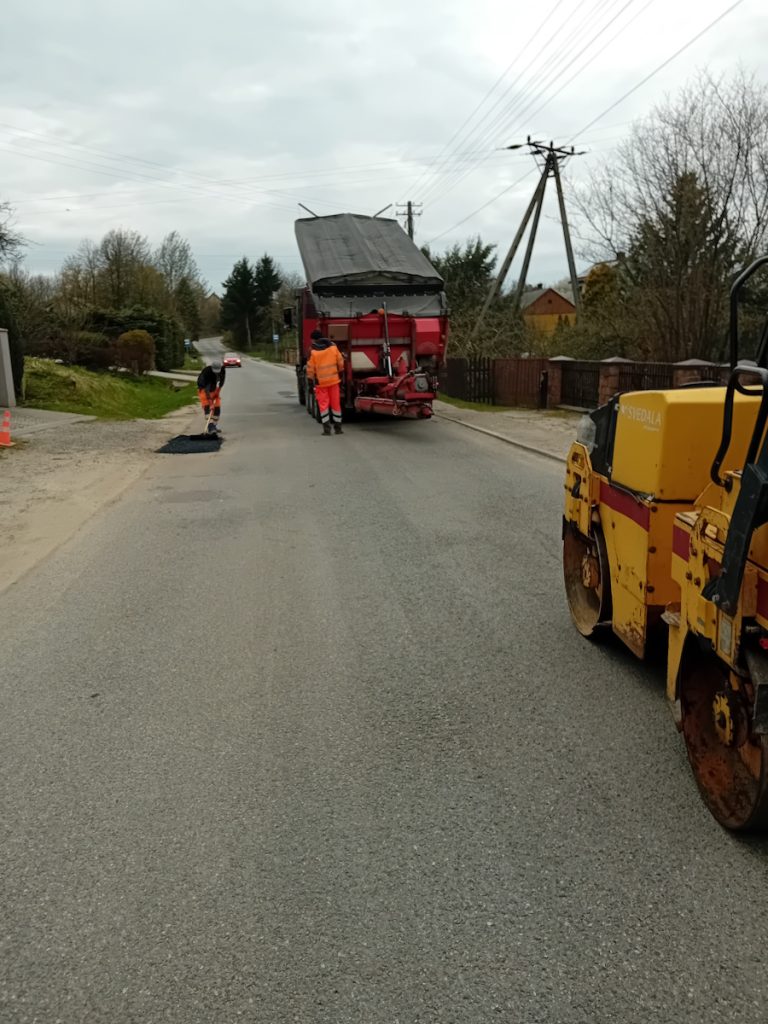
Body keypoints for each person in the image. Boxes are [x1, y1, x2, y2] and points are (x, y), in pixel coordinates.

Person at [306, 329, 344, 436]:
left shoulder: (312, 351)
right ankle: (338, 428)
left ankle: (327, 430)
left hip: (321, 383)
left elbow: (310, 368)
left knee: (323, 406)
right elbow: (340, 361)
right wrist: (341, 373)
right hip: (334, 381)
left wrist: (310, 381)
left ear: (313, 339)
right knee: (336, 405)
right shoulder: (333, 347)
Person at [197, 358, 226, 433]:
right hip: (204, 390)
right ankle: (210, 427)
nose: (216, 373)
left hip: (214, 389)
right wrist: (210, 403)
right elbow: (207, 389)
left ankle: (214, 426)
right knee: (208, 408)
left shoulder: (222, 370)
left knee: (217, 408)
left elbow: (221, 383)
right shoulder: (207, 372)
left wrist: (218, 392)